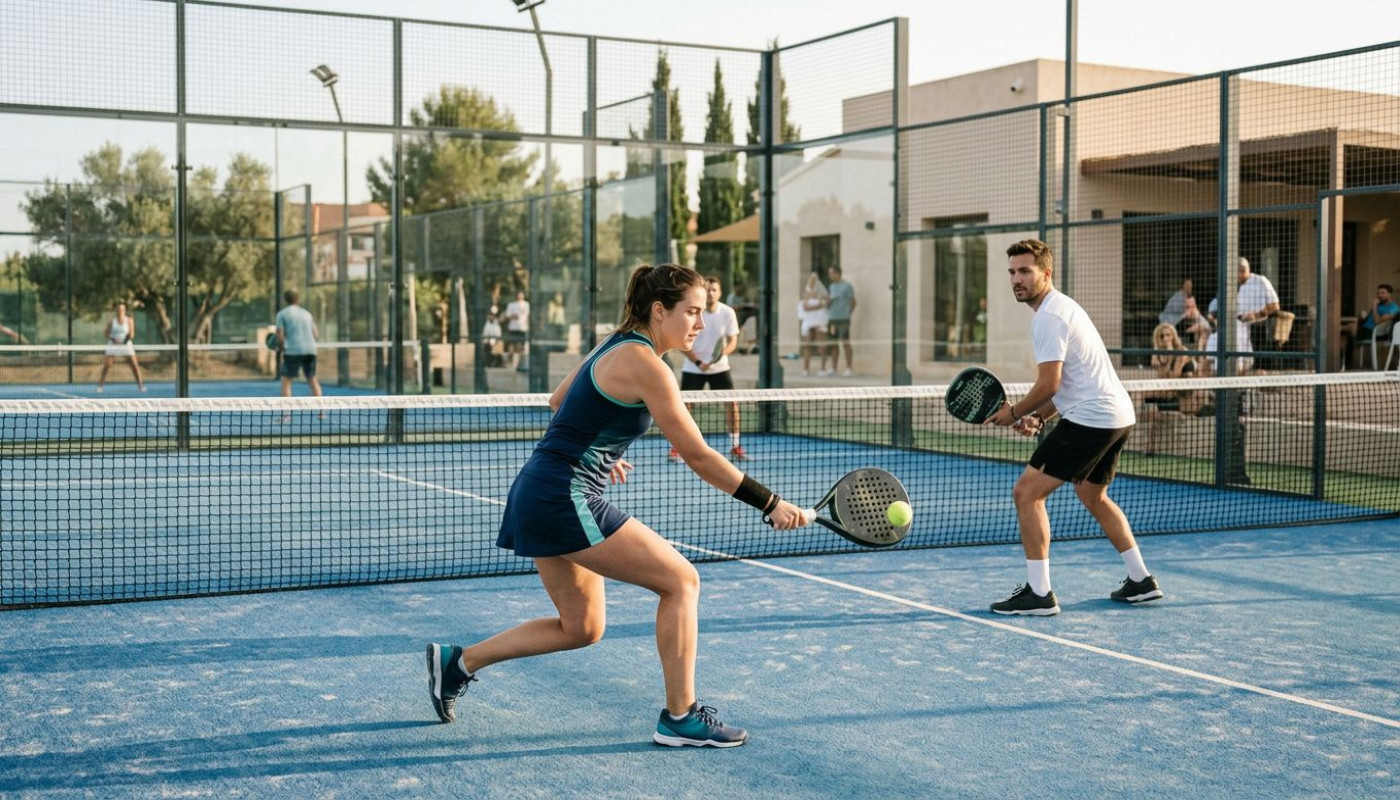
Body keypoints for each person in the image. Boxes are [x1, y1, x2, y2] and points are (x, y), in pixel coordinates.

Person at [425, 263, 809, 748]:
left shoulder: (616, 342)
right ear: (658, 310)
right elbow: (696, 453)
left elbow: (559, 399)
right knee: (681, 581)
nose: (700, 323)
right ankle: (680, 716)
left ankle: (457, 665)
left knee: (581, 627)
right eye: (691, 311)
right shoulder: (648, 364)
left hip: (542, 490)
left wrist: (598, 448)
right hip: (563, 496)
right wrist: (769, 501)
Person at [984, 240, 1163, 616]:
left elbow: (1049, 384)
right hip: (1116, 416)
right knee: (1092, 495)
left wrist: (1014, 412)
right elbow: (1066, 384)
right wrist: (1040, 417)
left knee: (1026, 493)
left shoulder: (1048, 317)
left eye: (1025, 271)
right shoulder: (1062, 308)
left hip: (1093, 419)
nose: (1017, 279)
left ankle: (1039, 593)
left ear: (1046, 274)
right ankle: (1141, 580)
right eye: (1012, 272)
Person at [670, 276, 747, 463]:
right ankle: (676, 448)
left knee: (732, 404)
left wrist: (718, 358)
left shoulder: (728, 313)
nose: (711, 293)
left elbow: (732, 342)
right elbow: (681, 341)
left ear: (720, 293)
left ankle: (735, 446)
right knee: (683, 408)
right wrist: (698, 362)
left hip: (720, 368)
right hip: (693, 368)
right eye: (709, 290)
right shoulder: (692, 312)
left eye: (715, 290)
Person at [1205, 257, 1278, 375]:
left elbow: (1275, 305)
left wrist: (1256, 315)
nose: (1237, 276)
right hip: (1235, 324)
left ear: (1244, 270)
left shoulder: (1260, 281)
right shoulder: (1232, 286)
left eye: (1239, 272)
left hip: (1257, 325)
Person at [1141, 323, 1205, 456]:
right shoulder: (1159, 355)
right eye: (1162, 336)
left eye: (1168, 335)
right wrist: (1162, 358)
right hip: (1169, 393)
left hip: (1184, 394)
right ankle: (1149, 447)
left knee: (1148, 396)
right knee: (1151, 409)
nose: (1165, 338)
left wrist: (1168, 357)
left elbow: (1174, 376)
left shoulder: (1181, 351)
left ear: (1173, 336)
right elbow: (1162, 378)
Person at [275, 290, 323, 418]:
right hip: (310, 350)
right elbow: (316, 334)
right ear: (298, 300)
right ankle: (321, 412)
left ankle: (286, 414)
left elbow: (280, 334)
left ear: (286, 300)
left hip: (293, 351)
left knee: (286, 382)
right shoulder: (307, 314)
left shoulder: (282, 314)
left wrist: (281, 347)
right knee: (312, 379)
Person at [1343, 283, 1397, 368]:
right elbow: (1369, 319)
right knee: (1344, 335)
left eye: (1383, 293)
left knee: (1348, 328)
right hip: (1365, 329)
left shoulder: (1393, 308)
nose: (1379, 295)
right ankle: (1344, 362)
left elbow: (1377, 322)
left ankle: (1349, 361)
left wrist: (1374, 307)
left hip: (1375, 333)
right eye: (1378, 293)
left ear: (1390, 294)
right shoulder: (1380, 305)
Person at [96, 302, 146, 393]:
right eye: (118, 309)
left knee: (134, 365)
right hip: (113, 345)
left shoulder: (129, 320)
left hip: (126, 344)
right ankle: (100, 386)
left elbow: (131, 334)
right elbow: (106, 334)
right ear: (116, 311)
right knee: (107, 365)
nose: (120, 311)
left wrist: (123, 341)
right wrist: (114, 340)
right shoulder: (112, 321)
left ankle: (141, 386)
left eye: (122, 309)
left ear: (125, 310)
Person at [1158, 277, 1210, 347]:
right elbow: (1178, 311)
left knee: (1203, 328)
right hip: (1173, 322)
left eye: (1190, 286)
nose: (1190, 288)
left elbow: (1192, 312)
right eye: (1187, 285)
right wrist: (1187, 312)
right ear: (1183, 286)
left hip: (1183, 322)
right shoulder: (1179, 296)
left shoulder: (1188, 297)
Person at [825, 265, 857, 376]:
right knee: (833, 343)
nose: (830, 276)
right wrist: (828, 301)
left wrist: (848, 313)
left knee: (845, 342)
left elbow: (853, 301)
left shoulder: (847, 286)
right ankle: (833, 368)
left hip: (843, 318)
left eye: (831, 273)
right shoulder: (832, 287)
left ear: (837, 273)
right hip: (832, 318)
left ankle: (849, 367)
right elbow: (828, 304)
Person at [797, 271, 829, 377]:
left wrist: (815, 306)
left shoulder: (821, 292)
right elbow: (805, 306)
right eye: (810, 279)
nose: (811, 282)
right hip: (809, 320)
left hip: (819, 319)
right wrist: (814, 307)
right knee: (807, 344)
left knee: (821, 344)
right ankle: (806, 368)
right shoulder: (806, 292)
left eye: (813, 280)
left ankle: (823, 368)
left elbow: (825, 303)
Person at [504, 290, 530, 371]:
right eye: (519, 295)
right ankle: (510, 361)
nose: (520, 296)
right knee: (512, 344)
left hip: (522, 328)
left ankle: (520, 362)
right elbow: (507, 316)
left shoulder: (526, 304)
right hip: (513, 327)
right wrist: (513, 316)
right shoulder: (511, 305)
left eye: (521, 295)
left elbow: (528, 315)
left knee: (522, 346)